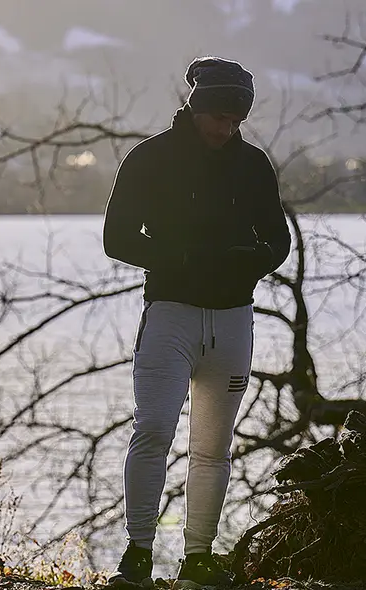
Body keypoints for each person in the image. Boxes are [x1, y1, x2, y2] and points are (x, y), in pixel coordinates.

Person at [102, 56, 291, 588]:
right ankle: (137, 555)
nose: (225, 129)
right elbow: (115, 238)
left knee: (212, 447)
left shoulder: (253, 165)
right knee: (153, 430)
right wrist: (180, 258)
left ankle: (198, 559)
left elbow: (279, 243)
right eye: (218, 118)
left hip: (233, 321)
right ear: (194, 106)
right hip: (170, 316)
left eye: (235, 121)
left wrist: (247, 260)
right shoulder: (149, 158)